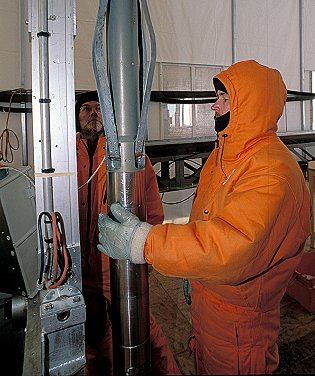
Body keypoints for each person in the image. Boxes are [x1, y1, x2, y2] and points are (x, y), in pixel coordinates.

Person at [98, 59, 312, 375]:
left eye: (225, 98)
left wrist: (144, 242)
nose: (214, 106)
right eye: (217, 96)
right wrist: (196, 274)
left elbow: (231, 249)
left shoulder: (271, 171)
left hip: (240, 327)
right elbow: (208, 224)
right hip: (212, 306)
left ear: (251, 105)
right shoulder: (224, 155)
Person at [75, 90, 181, 376]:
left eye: (99, 108)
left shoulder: (130, 158)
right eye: (86, 108)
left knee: (141, 330)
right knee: (90, 335)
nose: (93, 113)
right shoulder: (62, 157)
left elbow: (153, 212)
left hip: (116, 267)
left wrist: (142, 252)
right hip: (78, 268)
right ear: (76, 115)